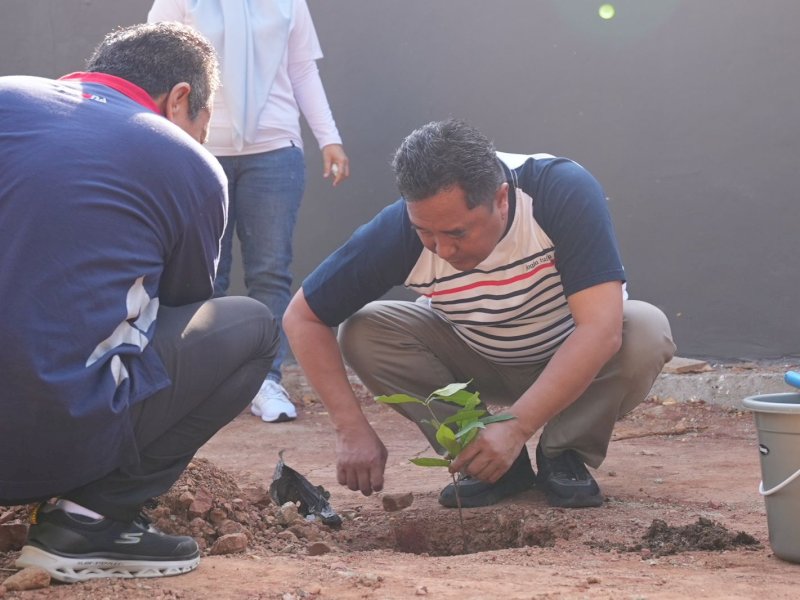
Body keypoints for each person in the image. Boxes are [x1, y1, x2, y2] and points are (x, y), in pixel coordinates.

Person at [0, 22, 279, 582]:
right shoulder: (185, 160)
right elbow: (178, 309)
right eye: (204, 123)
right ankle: (88, 521)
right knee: (250, 327)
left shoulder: (7, 96)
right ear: (180, 99)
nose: (202, 138)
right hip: (41, 445)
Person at [284, 119, 676, 510]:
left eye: (457, 233)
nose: (443, 250)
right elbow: (303, 317)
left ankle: (564, 455)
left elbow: (599, 331)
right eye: (426, 233)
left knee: (644, 328)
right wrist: (350, 427)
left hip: (570, 358)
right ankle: (487, 461)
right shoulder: (402, 228)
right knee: (365, 329)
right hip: (475, 357)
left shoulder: (560, 190)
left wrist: (517, 426)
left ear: (502, 199)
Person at [148, 0, 350, 423]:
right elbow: (158, 65)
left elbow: (301, 69)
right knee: (203, 272)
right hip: (200, 149)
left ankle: (265, 380)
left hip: (275, 148)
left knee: (271, 271)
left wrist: (328, 137)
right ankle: (203, 382)